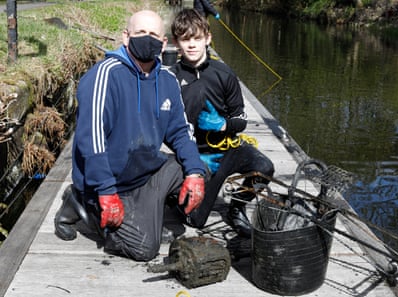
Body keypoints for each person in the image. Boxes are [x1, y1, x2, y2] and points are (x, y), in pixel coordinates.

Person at [54, 10, 207, 262]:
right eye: (140, 33)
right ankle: (80, 202)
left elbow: (181, 131)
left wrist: (195, 173)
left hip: (144, 170)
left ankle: (148, 213)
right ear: (126, 37)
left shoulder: (167, 79)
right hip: (111, 182)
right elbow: (90, 141)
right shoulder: (105, 75)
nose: (148, 39)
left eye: (154, 34)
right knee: (145, 249)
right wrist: (105, 190)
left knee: (199, 169)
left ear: (164, 43)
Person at [170, 9, 275, 237]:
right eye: (185, 39)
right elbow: (165, 128)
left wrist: (223, 125)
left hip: (227, 148)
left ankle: (236, 207)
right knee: (196, 220)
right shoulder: (171, 77)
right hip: (194, 156)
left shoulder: (224, 73)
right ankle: (174, 197)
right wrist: (191, 158)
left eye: (197, 38)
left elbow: (241, 119)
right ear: (176, 43)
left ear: (208, 38)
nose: (192, 45)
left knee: (265, 168)